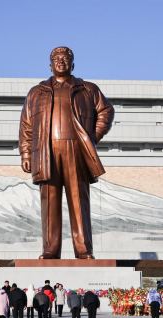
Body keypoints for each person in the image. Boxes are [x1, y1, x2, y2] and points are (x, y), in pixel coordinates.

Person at [19, 46, 114, 260]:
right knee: (49, 202)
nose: (61, 61)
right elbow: (26, 124)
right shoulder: (37, 92)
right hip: (46, 151)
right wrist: (26, 154)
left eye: (65, 58)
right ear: (50, 65)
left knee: (79, 200)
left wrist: (91, 138)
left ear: (73, 64)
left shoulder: (87, 89)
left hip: (76, 150)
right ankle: (50, 250)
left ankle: (83, 250)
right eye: (56, 59)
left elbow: (106, 111)